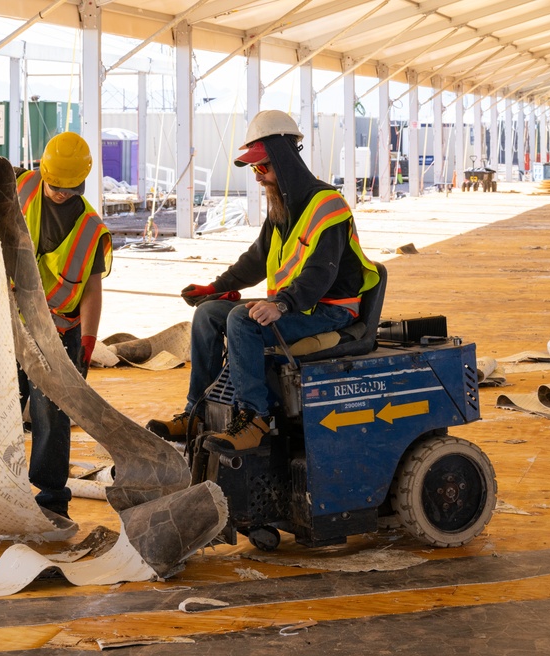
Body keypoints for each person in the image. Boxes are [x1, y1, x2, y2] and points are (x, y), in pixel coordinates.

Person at [146, 110, 379, 452]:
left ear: (284, 159)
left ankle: (255, 418)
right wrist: (216, 287)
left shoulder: (328, 205)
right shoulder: (281, 208)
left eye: (262, 167)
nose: (258, 176)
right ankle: (196, 411)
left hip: (329, 310)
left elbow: (321, 272)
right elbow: (257, 258)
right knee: (210, 313)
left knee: (243, 319)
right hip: (298, 306)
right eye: (254, 168)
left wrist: (281, 304)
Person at [0, 132, 112, 519]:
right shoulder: (24, 184)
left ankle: (52, 497)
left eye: (69, 188)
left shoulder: (90, 228)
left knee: (51, 415)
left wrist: (88, 341)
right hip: (8, 319)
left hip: (57, 332)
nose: (60, 193)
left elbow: (92, 288)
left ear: (83, 182)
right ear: (44, 172)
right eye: (55, 185)